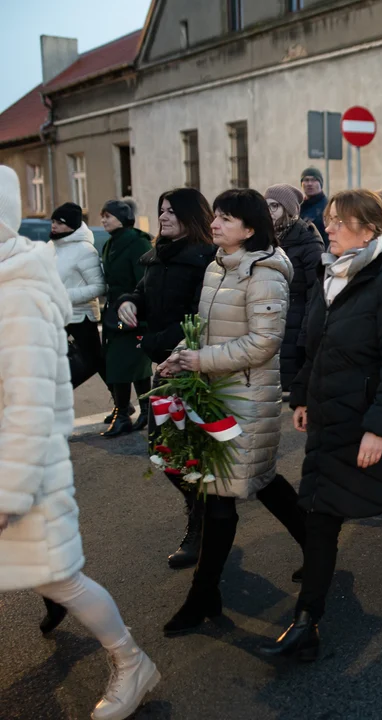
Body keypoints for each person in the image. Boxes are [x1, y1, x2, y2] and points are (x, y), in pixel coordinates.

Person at [0, 165, 160, 720]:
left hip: (17, 470)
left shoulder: (17, 290)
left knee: (59, 579)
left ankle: (130, 661)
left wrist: (9, 492)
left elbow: (33, 401)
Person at [261, 190, 382, 662]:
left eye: (340, 221)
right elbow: (317, 347)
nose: (330, 229)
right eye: (328, 220)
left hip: (377, 422)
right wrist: (302, 394)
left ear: (369, 227)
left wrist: (379, 429)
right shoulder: (333, 274)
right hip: (334, 421)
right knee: (321, 519)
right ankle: (306, 624)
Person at [158, 188, 307, 637]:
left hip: (244, 398)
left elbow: (263, 344)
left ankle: (203, 596)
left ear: (249, 228)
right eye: (216, 216)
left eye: (226, 218)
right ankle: (318, 546)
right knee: (258, 482)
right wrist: (180, 353)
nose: (216, 223)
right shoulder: (216, 266)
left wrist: (199, 361)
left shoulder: (265, 273)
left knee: (224, 494)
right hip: (215, 395)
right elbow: (203, 329)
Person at [116, 188, 217, 570]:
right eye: (161, 210)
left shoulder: (206, 260)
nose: (163, 216)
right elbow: (143, 293)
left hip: (190, 369)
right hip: (163, 366)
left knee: (187, 449)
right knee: (164, 451)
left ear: (192, 216)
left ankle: (202, 525)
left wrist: (156, 342)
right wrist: (128, 301)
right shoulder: (158, 256)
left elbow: (199, 314)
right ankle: (202, 512)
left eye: (172, 211)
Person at [99, 199, 153, 439]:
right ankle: (146, 411)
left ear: (122, 217)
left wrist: (138, 309)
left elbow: (145, 282)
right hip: (114, 312)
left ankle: (123, 415)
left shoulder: (137, 242)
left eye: (108, 216)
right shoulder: (110, 244)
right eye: (103, 216)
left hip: (133, 313)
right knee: (130, 363)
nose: (103, 220)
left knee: (123, 362)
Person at [265, 184, 325, 392]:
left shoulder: (308, 242)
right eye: (266, 207)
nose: (269, 212)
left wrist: (305, 336)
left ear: (289, 210)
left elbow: (315, 293)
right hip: (271, 325)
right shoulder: (265, 241)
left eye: (274, 206)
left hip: (296, 326)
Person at [50, 202, 106, 393]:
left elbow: (99, 286)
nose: (54, 225)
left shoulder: (85, 250)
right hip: (57, 313)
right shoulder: (53, 246)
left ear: (71, 225)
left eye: (59, 222)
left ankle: (121, 404)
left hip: (82, 315)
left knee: (95, 360)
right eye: (53, 221)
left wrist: (64, 295)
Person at [300, 167, 328, 245]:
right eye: (306, 180)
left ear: (320, 183)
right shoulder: (299, 207)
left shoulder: (327, 207)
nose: (309, 184)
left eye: (314, 180)